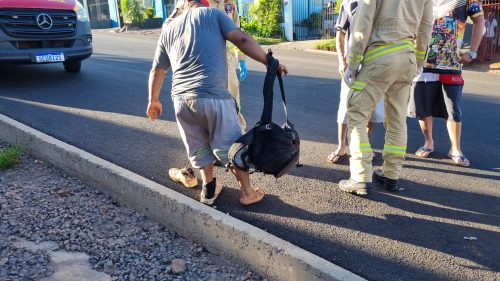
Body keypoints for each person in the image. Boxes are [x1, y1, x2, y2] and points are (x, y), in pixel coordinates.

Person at [147, 0, 288, 205]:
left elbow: (157, 69)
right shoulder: (212, 14)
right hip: (213, 97)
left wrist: (153, 100)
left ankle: (209, 190)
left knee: (199, 147)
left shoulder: (169, 28)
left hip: (182, 101)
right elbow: (241, 39)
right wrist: (270, 62)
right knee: (231, 148)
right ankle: (247, 193)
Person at [337, 0, 433, 195]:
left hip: (379, 56)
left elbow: (362, 23)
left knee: (356, 114)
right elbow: (426, 25)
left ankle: (360, 177)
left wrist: (353, 62)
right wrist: (420, 60)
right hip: (407, 58)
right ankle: (391, 174)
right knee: (397, 119)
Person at [408, 0, 485, 167]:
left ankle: (455, 149)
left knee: (452, 108)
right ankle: (428, 143)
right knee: (423, 107)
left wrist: (472, 52)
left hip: (451, 63)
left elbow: (480, 21)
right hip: (422, 62)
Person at [326, 0, 384, 164]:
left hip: (377, 64)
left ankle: (362, 144)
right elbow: (340, 33)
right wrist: (341, 61)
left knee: (373, 109)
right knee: (346, 106)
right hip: (353, 64)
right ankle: (341, 146)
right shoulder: (348, 2)